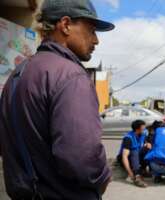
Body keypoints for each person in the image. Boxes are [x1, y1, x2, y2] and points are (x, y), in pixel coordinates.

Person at [0, 0, 114, 199]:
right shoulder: (71, 76)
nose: (96, 40)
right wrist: (102, 178)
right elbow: (81, 159)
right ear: (66, 24)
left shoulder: (17, 75)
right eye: (91, 30)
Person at [117, 120, 152, 188]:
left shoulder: (142, 134)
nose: (145, 129)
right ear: (137, 129)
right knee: (134, 150)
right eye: (143, 128)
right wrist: (130, 173)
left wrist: (147, 144)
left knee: (148, 149)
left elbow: (143, 143)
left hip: (136, 156)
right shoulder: (128, 138)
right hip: (125, 158)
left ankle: (143, 170)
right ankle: (137, 176)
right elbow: (124, 156)